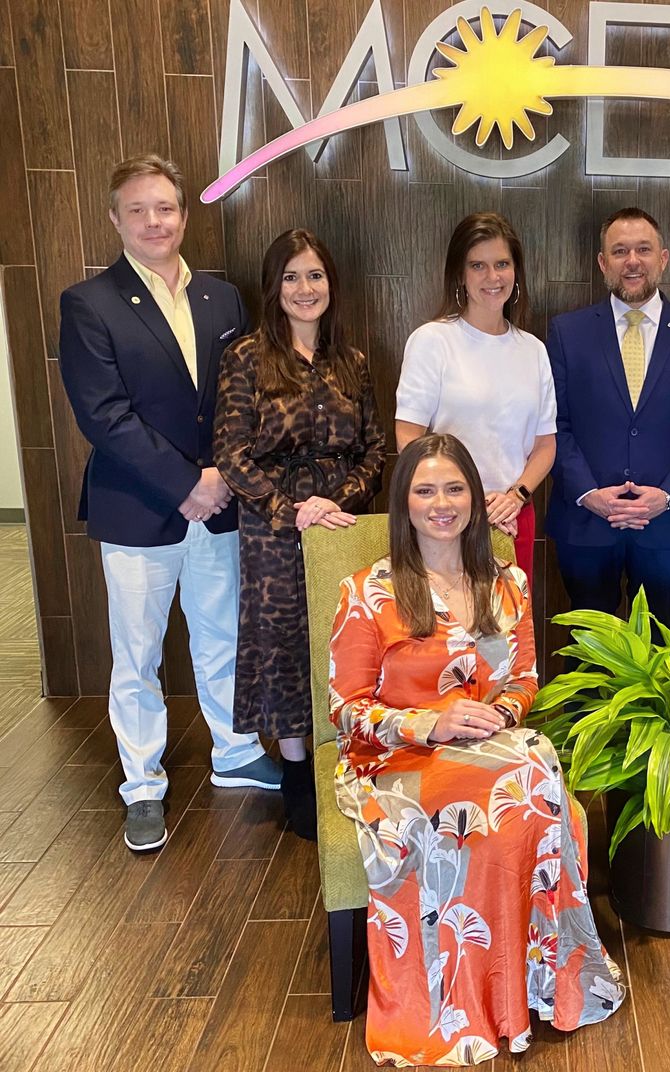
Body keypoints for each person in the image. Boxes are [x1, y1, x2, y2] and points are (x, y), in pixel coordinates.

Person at [329, 434, 625, 1067]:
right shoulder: (368, 592)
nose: (442, 503)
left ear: (474, 496)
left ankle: (527, 990)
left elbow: (524, 678)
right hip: (396, 761)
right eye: (426, 490)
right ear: (404, 502)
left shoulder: (508, 581)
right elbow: (344, 710)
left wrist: (499, 714)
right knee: (530, 790)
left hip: (493, 745)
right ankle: (480, 1004)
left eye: (455, 488)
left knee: (535, 789)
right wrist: (429, 725)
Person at [58, 154, 280, 855]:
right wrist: (187, 481)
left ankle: (236, 750)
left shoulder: (224, 299)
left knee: (222, 635)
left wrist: (219, 475)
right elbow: (104, 416)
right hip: (140, 509)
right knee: (138, 653)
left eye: (166, 208)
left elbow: (238, 396)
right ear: (115, 219)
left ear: (184, 214)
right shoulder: (88, 304)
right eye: (138, 209)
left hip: (217, 500)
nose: (155, 221)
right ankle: (143, 783)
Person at [214, 229, 386, 839]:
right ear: (273, 286)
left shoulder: (353, 361)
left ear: (331, 285)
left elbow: (375, 449)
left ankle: (348, 757)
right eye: (291, 277)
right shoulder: (246, 357)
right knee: (286, 646)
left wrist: (333, 504)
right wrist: (293, 509)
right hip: (273, 530)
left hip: (342, 524)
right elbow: (231, 455)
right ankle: (296, 777)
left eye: (314, 275)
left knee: (346, 643)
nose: (304, 288)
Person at [546, 207, 670, 628]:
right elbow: (555, 425)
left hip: (667, 526)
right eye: (620, 251)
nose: (632, 261)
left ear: (663, 258)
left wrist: (669, 495)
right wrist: (589, 493)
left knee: (658, 653)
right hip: (586, 523)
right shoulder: (566, 332)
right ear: (603, 263)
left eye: (643, 249)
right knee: (587, 658)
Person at [394, 212, 555, 589]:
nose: (492, 277)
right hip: (445, 517)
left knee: (510, 629)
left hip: (513, 515)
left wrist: (516, 496)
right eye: (478, 266)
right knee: (448, 634)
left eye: (502, 264)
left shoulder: (533, 350)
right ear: (460, 275)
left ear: (516, 272)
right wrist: (456, 497)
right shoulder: (432, 341)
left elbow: (546, 445)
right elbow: (409, 437)